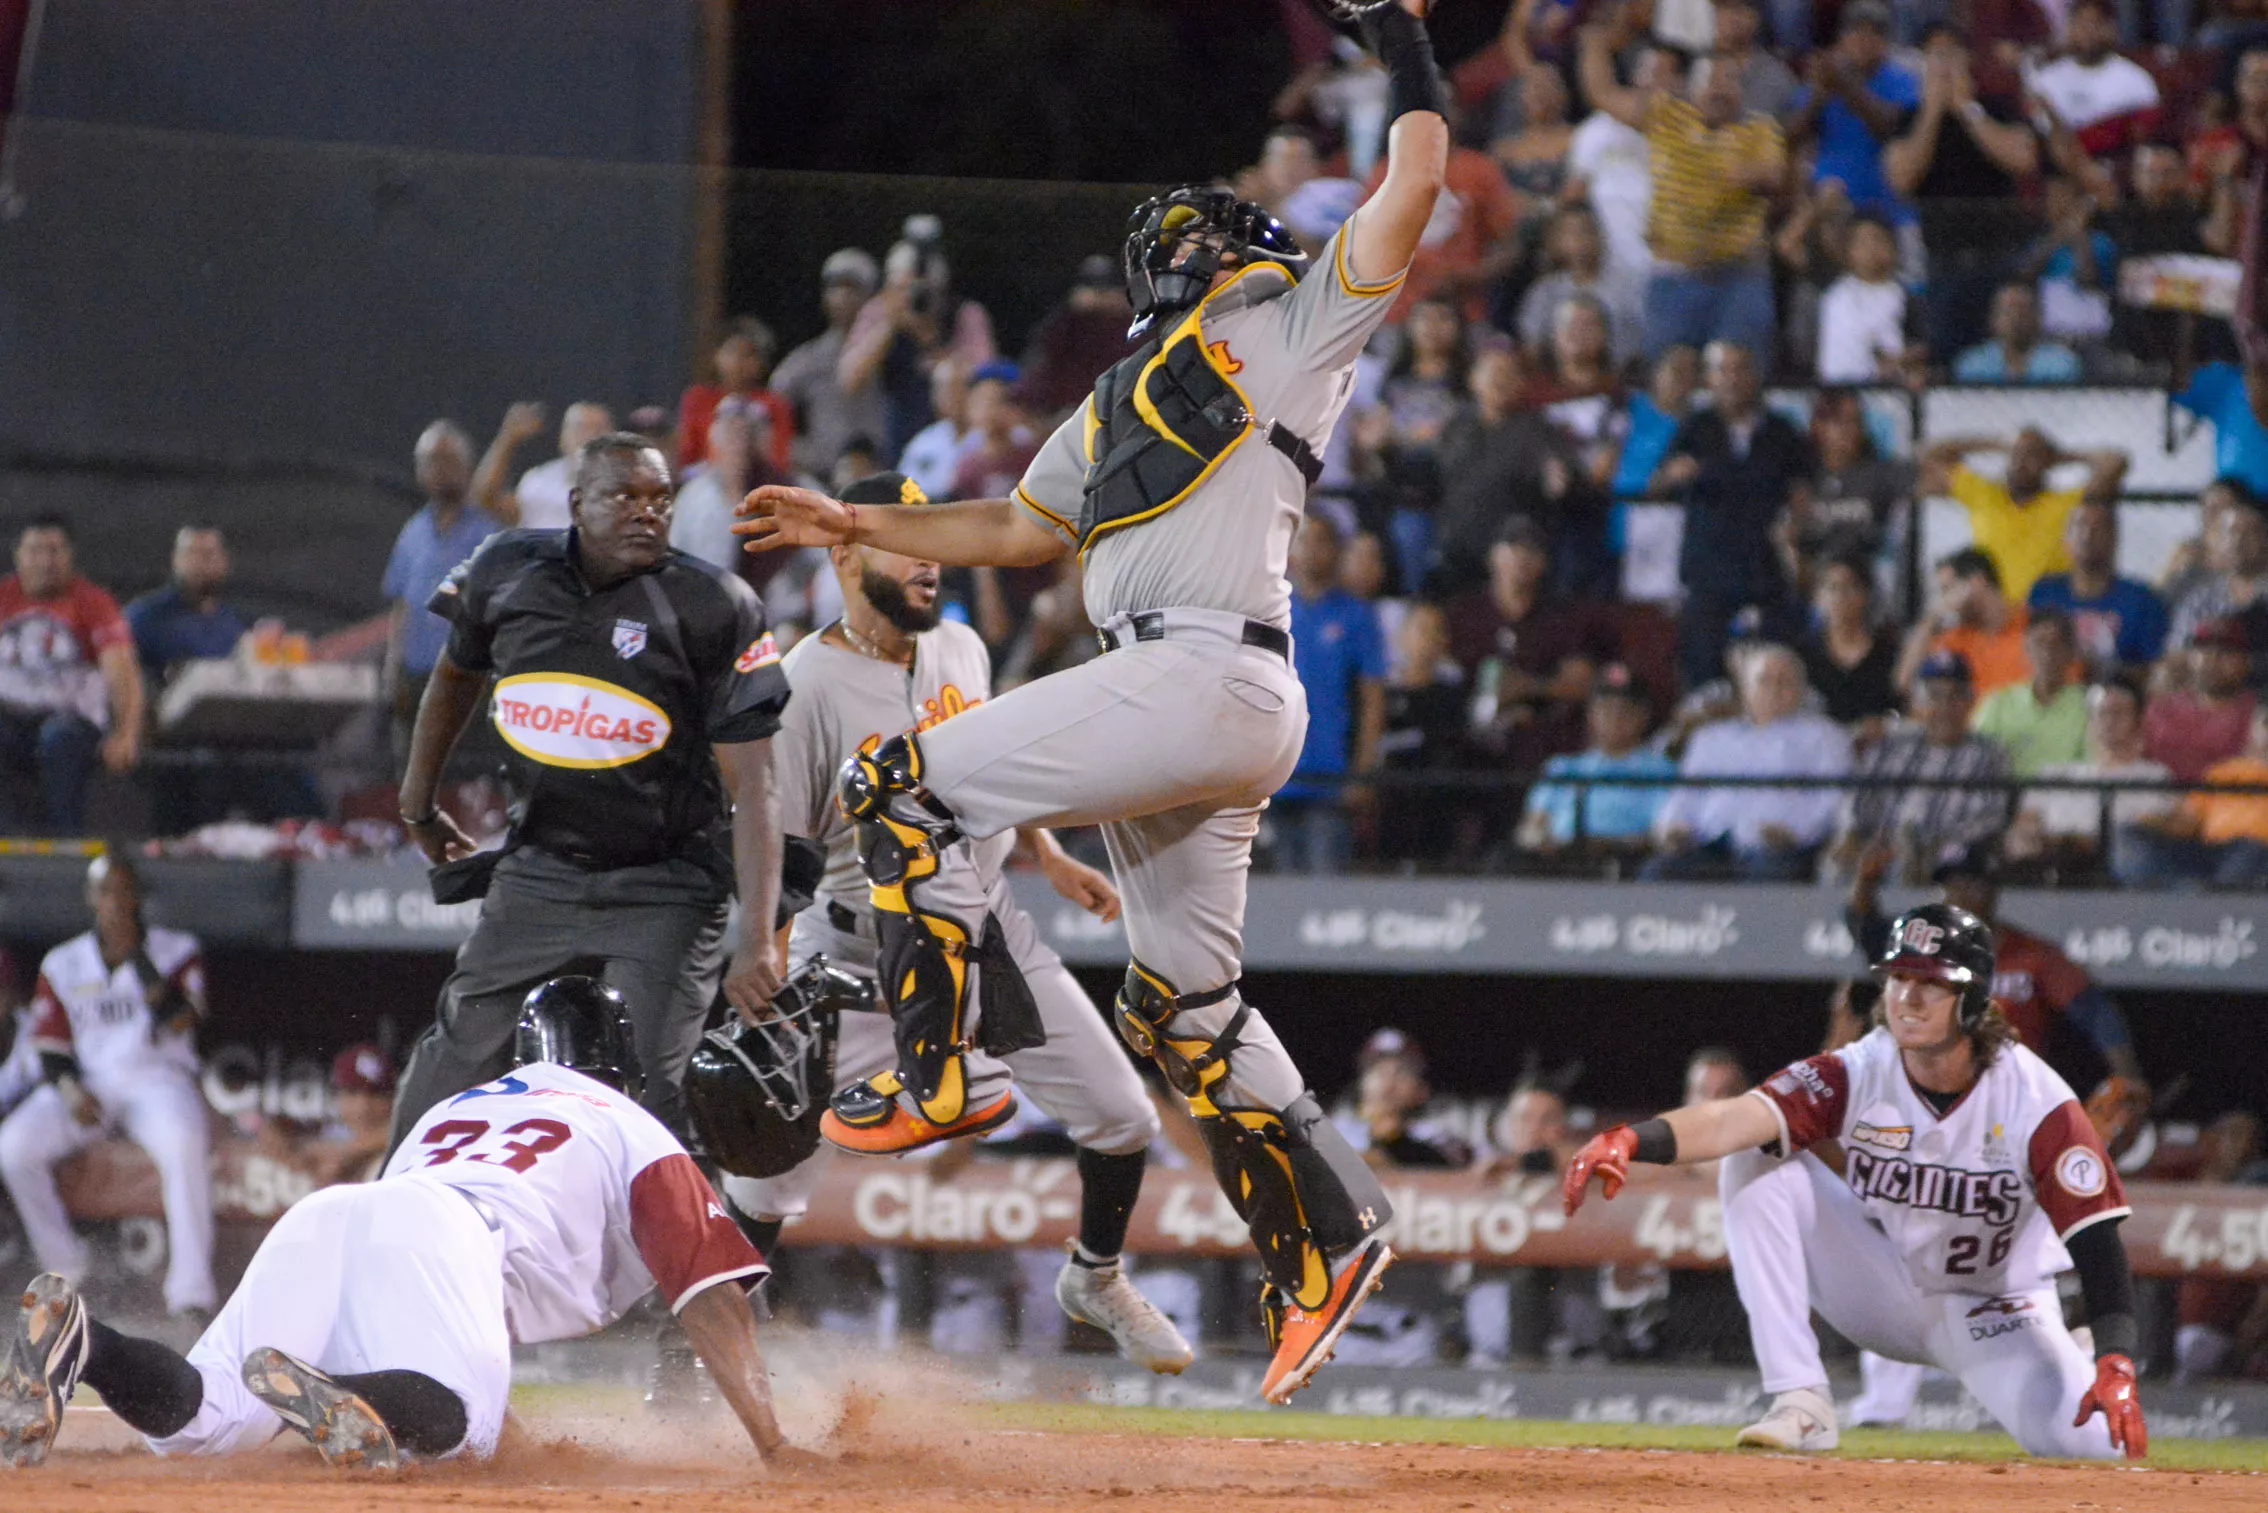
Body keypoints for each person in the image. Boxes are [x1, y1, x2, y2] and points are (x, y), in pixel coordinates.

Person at [734, 0, 1452, 1406]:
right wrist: (852, 522)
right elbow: (1012, 532)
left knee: (902, 786)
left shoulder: (1292, 329)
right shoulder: (1126, 394)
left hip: (1195, 673)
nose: (1263, 248)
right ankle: (1334, 1231)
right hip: (1206, 694)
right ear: (1207, 257)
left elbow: (1415, 179)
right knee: (1185, 1002)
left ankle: (937, 1077)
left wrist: (1408, 47)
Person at [706, 473, 1190, 1374]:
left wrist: (1047, 852)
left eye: (934, 539)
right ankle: (696, 1359)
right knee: (763, 1183)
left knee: (1124, 1117)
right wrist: (766, 951)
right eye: (908, 541)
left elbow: (997, 762)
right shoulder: (805, 684)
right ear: (845, 551)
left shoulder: (961, 646)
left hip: (983, 927)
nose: (931, 560)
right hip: (854, 950)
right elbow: (780, 841)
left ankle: (1096, 1277)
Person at [0, 978, 807, 1470]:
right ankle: (338, 1392)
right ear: (620, 1068)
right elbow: (710, 1290)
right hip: (447, 1230)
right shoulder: (628, 1123)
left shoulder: (460, 1106)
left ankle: (87, 1341)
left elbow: (410, 1283)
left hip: (343, 1213)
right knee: (460, 1423)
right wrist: (773, 1444)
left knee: (206, 1420)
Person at [1564, 903, 2149, 1460]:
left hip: (1997, 1308)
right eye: (1898, 978)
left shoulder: (2038, 1100)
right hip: (1883, 1283)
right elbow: (1732, 1118)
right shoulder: (1858, 1068)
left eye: (1931, 982)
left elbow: (2097, 1242)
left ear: (1972, 1000)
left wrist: (2117, 1361)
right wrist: (1632, 1140)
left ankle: (2069, 1350)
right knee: (1755, 1153)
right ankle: (1800, 1399)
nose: (1906, 996)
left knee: (2092, 1451)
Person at [387, 433, 793, 1146]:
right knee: (449, 1067)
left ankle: (682, 1259)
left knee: (650, 1093)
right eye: (625, 496)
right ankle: (391, 1228)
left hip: (665, 883)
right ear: (577, 504)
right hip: (540, 869)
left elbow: (755, 784)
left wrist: (757, 937)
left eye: (660, 498)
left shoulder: (714, 602)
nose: (648, 513)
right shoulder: (505, 568)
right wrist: (418, 800)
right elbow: (453, 674)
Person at [0, 856, 214, 1319]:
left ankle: (190, 1293)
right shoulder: (63, 962)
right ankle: (70, 1270)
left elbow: (183, 1020)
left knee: (185, 1142)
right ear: (91, 899)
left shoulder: (176, 949)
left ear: (137, 897)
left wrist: (136, 958)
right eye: (105, 892)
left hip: (158, 1080)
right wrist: (72, 1092)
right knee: (13, 1148)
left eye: (123, 891)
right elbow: (51, 1047)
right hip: (91, 1083)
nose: (114, 902)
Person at [1848, 841, 2146, 1086]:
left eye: (1969, 884)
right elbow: (1866, 929)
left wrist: (2128, 1079)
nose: (1959, 896)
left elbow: (2096, 1013)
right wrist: (1866, 883)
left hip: (2011, 1099)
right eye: (1951, 885)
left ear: (1992, 891)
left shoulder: (2034, 956)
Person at [1578, 14, 1786, 359]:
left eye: (1729, 80)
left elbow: (1773, 176)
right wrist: (1595, 46)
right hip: (1674, 278)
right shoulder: (1665, 117)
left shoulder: (1761, 130)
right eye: (1709, 80)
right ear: (1690, 88)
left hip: (1739, 279)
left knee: (1741, 373)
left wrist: (1727, 165)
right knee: (1668, 380)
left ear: (1742, 89)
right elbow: (1602, 93)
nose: (1719, 88)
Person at [1655, 341, 1815, 691]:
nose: (1732, 378)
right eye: (1722, 369)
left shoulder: (1781, 431)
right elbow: (1660, 483)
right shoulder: (1694, 429)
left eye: (1740, 368)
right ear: (1709, 379)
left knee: (1771, 670)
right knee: (1705, 676)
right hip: (1709, 574)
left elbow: (1804, 494)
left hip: (1766, 574)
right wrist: (1675, 473)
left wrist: (1794, 530)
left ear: (1756, 375)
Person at [1645, 644, 1852, 881]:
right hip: (1709, 843)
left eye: (1784, 682)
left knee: (1773, 872)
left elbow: (1833, 798)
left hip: (1781, 847)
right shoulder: (1711, 737)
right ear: (1745, 690)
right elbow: (1685, 794)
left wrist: (1797, 834)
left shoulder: (1825, 736)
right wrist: (1674, 826)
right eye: (1764, 681)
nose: (1774, 689)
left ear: (1802, 690)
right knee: (1659, 871)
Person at [0, 518, 142, 834]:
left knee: (59, 738)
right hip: (10, 716)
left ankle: (65, 842)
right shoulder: (3, 597)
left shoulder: (93, 602)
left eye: (54, 551)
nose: (45, 561)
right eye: (35, 550)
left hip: (71, 720)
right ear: (18, 555)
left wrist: (126, 733)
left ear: (69, 556)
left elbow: (121, 670)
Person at [1832, 650, 2012, 879]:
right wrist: (1851, 833)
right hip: (1884, 848)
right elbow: (1859, 798)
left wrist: (1932, 845)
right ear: (1919, 702)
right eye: (1935, 696)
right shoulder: (1892, 746)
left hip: (1947, 853)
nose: (1945, 707)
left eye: (1955, 696)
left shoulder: (1989, 754)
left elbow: (1989, 818)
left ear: (1970, 702)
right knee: (1836, 862)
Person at [382, 423, 501, 766]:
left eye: (449, 460)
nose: (440, 469)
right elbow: (401, 605)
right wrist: (394, 671)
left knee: (468, 775)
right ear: (419, 470)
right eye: (431, 461)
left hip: (470, 677)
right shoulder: (412, 531)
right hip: (418, 676)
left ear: (467, 466)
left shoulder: (489, 530)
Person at [1277, 514, 1387, 875]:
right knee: (1271, 897)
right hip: (1275, 777)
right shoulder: (1269, 611)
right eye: (1304, 540)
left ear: (1337, 551)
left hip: (1331, 778)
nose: (1312, 550)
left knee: (1325, 893)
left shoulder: (1357, 615)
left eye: (1322, 541)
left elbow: (1372, 698)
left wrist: (1363, 771)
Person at [1922, 429, 2125, 606]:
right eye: (2016, 454)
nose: (2021, 462)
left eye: (2032, 456)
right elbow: (1928, 456)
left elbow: (2115, 462)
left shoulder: (2068, 503)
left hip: (2048, 616)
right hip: (1997, 617)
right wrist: (1999, 444)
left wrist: (2061, 456)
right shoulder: (1984, 494)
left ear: (2048, 463)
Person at [2012, 676, 2179, 877]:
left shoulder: (2155, 777)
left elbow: (2175, 824)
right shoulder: (2056, 775)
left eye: (2119, 713)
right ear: (2090, 721)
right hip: (2055, 867)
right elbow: (2026, 822)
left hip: (2125, 872)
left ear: (2138, 721)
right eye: (2102, 713)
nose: (2109, 721)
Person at [1517, 663, 1677, 860]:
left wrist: (1612, 844)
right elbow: (1533, 825)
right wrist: (1538, 840)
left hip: (1626, 862)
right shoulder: (1563, 767)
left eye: (1625, 710)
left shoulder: (1661, 769)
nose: (1615, 718)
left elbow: (1663, 832)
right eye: (1606, 709)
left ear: (1643, 716)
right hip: (1558, 861)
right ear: (1591, 716)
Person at [1785, 2, 1921, 226]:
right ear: (1842, 38)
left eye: (1875, 32)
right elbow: (1791, 137)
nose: (1864, 39)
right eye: (1856, 30)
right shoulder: (1825, 78)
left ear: (1886, 41)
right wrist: (1819, 95)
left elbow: (1890, 127)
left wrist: (1845, 83)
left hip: (1888, 209)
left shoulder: (1902, 80)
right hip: (1830, 206)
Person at [2117, 702, 2268, 888]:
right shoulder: (2223, 771)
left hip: (2257, 853)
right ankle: (2187, 896)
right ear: (2253, 731)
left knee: (2249, 849)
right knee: (2128, 835)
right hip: (2208, 850)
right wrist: (2151, 821)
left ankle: (2210, 901)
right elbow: (2188, 820)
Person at [771, 247, 888, 477]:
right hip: (824, 475)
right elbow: (774, 400)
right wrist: (798, 451)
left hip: (881, 472)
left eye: (853, 289)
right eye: (836, 288)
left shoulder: (893, 350)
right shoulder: (811, 356)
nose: (844, 297)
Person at [2027, 500, 2169, 673]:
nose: (2088, 534)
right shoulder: (2044, 593)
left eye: (2098, 528)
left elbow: (2153, 667)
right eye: (2080, 526)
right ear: (2066, 539)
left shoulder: (2142, 601)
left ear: (2114, 538)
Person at [2026, 0, 2162, 163]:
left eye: (2096, 23)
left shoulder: (2136, 79)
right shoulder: (2047, 79)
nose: (2087, 31)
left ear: (2112, 28)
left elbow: (2144, 140)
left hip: (2117, 167)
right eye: (2080, 22)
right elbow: (2042, 138)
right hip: (2059, 166)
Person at [1516, 204, 1645, 368]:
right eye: (1571, 233)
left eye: (1586, 231)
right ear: (1558, 241)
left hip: (1617, 380)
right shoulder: (1544, 291)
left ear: (1601, 236)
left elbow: (1638, 346)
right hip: (1559, 383)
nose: (1580, 240)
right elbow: (1531, 347)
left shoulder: (1628, 287)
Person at [1016, 254, 1135, 420]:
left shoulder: (1136, 330)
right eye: (1092, 288)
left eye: (1108, 289)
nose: (1099, 296)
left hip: (1122, 416)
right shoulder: (1063, 327)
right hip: (1062, 417)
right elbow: (1033, 387)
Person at [124, 525, 247, 685]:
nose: (197, 563)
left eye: (208, 554)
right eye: (190, 554)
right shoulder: (143, 617)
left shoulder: (231, 623)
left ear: (224, 561)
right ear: (176, 559)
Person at [1972, 609, 2088, 776]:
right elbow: (1978, 756)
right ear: (2026, 649)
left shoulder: (2088, 704)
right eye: (2040, 643)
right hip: (2010, 798)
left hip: (2069, 798)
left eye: (2056, 645)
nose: (2048, 654)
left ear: (2072, 652)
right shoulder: (1998, 703)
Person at [1900, 547, 2029, 696]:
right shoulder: (1956, 639)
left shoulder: (2034, 625)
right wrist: (1932, 619)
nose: (1945, 601)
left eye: (1948, 589)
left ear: (1977, 581)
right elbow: (1904, 682)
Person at [1797, 553, 1902, 734]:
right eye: (1832, 588)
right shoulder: (1803, 655)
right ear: (1817, 596)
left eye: (1850, 587)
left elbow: (1902, 707)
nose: (1840, 597)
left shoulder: (1889, 652)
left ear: (1866, 594)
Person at [2143, 620, 2258, 783]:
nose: (2213, 660)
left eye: (2226, 652)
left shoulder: (2256, 714)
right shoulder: (2160, 709)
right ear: (2190, 657)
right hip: (2161, 800)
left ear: (2246, 661)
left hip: (2229, 803)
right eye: (2204, 651)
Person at [680, 317, 795, 476]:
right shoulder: (698, 398)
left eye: (749, 355)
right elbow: (688, 455)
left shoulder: (774, 404)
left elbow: (780, 458)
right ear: (717, 356)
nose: (739, 362)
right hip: (705, 479)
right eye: (733, 352)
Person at [475, 402, 615, 531]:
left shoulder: (628, 485)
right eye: (580, 428)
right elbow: (487, 500)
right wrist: (508, 439)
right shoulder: (539, 482)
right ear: (562, 439)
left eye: (598, 429)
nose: (589, 437)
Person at [2167, 491, 2268, 649]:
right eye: (2231, 532)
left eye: (2248, 533)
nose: (2238, 541)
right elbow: (2178, 647)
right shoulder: (2202, 596)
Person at [1952, 282, 2084, 383]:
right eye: (2009, 312)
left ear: (2038, 318)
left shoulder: (2062, 362)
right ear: (1993, 320)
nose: (2016, 319)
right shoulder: (1972, 364)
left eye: (2023, 312)